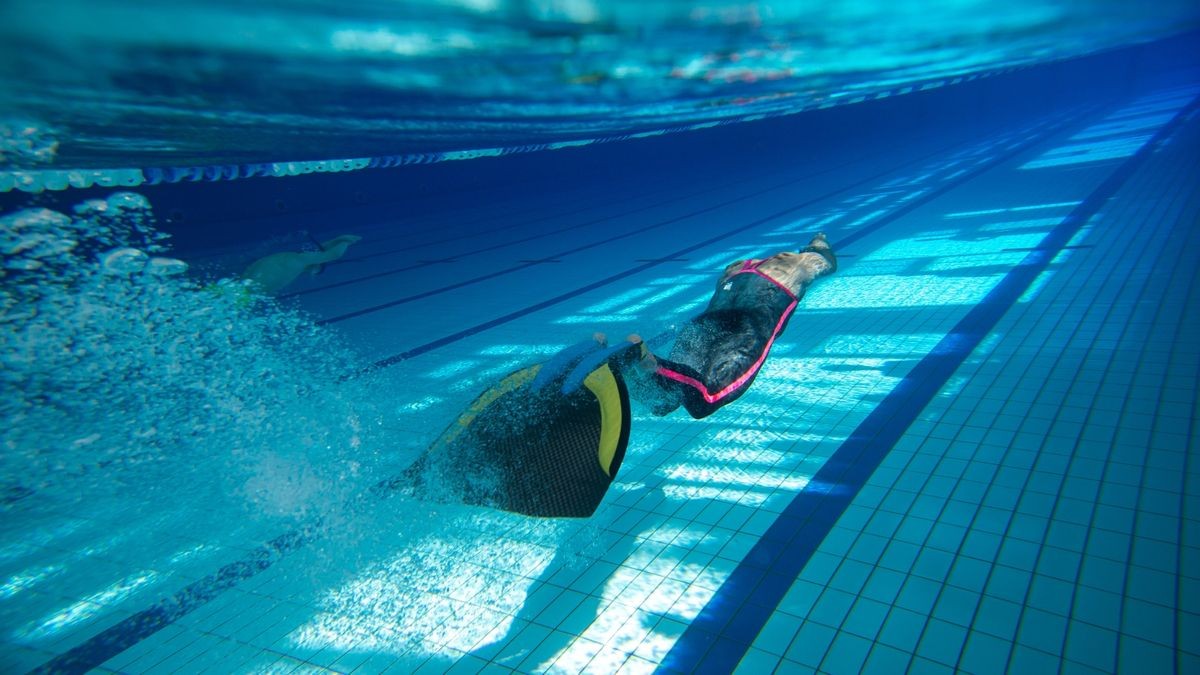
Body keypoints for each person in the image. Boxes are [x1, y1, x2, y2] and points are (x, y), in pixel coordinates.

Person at [618, 232, 836, 419]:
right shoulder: (798, 264)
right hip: (751, 322)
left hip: (708, 322)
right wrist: (818, 243)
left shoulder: (736, 267)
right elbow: (826, 260)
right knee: (706, 400)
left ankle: (624, 367)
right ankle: (648, 362)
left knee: (665, 402)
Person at [240, 234, 361, 295]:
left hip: (239, 286)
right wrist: (346, 241)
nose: (309, 272)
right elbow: (333, 255)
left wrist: (337, 239)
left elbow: (319, 251)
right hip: (246, 295)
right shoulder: (300, 260)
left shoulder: (291, 257)